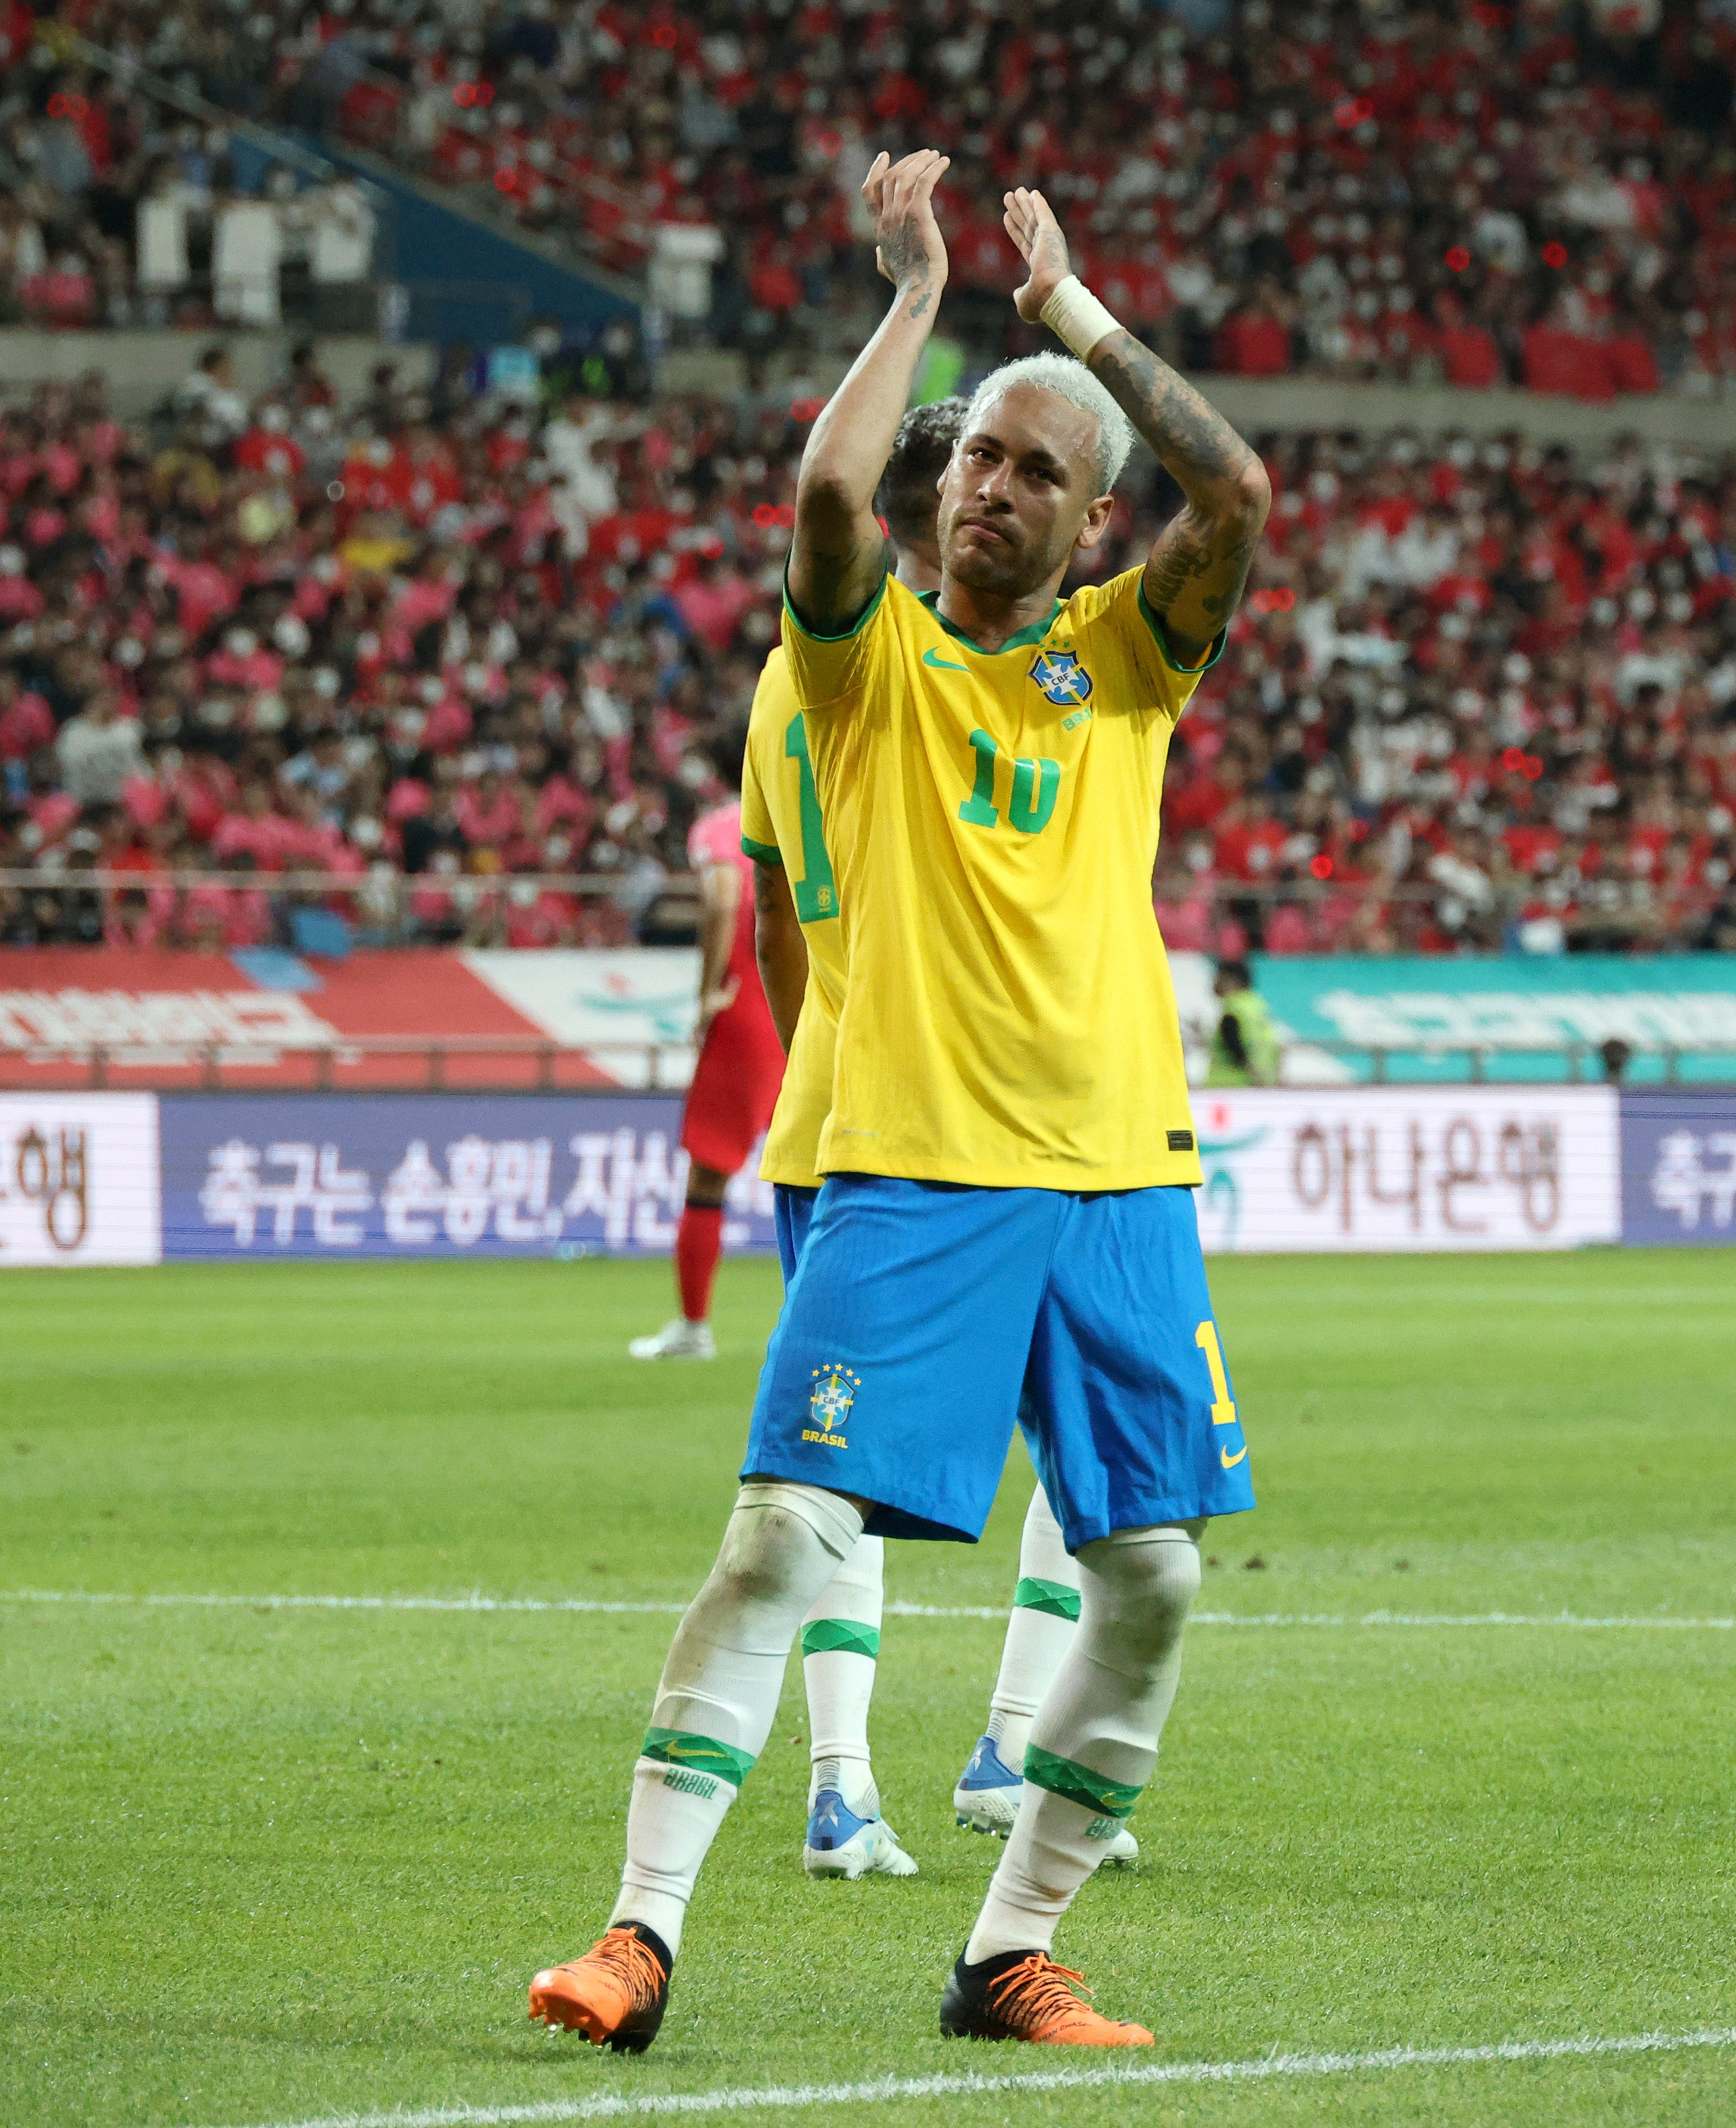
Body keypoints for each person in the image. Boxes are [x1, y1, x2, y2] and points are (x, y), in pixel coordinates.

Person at [529, 147, 1269, 2054]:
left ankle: (1007, 1952)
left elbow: (1243, 489)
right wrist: (919, 296)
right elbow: (828, 493)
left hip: (1120, 1177)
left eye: (1036, 469)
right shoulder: (859, 677)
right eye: (978, 462)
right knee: (782, 1536)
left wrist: (1075, 320)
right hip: (920, 1169)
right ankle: (639, 1933)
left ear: (1094, 521)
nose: (990, 487)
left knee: (1158, 1576)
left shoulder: (1130, 663)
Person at [728, 395, 967, 1879]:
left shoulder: (785, 676)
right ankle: (998, 1756)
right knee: (1090, 1462)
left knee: (837, 1468)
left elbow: (770, 913)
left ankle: (844, 1781)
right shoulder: (941, 673)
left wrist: (823, 1038)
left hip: (828, 1099)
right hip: (946, 1111)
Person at [627, 732, 788, 1365]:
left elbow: (725, 900)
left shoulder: (723, 826)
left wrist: (706, 995)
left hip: (749, 1000)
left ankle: (694, 1326)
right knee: (822, 1171)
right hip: (813, 999)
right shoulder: (813, 805)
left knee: (710, 1172)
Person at [1203, 957, 1281, 1087]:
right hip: (1261, 1084)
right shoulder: (1259, 1007)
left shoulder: (1233, 1012)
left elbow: (1234, 1047)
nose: (1214, 982)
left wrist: (1255, 1075)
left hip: (1230, 1086)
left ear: (1232, 980)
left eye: (1218, 977)